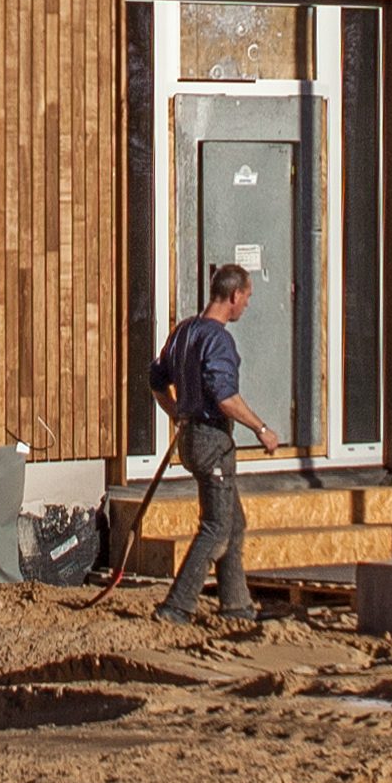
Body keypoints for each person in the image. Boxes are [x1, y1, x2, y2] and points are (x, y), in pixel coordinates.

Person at [147, 263, 286, 623]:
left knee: (233, 522)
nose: (247, 305)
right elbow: (225, 398)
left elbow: (156, 378)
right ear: (234, 295)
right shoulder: (218, 339)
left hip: (190, 437)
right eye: (248, 297)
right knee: (216, 527)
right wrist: (262, 428)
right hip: (211, 439)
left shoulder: (183, 332)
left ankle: (236, 606)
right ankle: (176, 607)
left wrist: (176, 411)